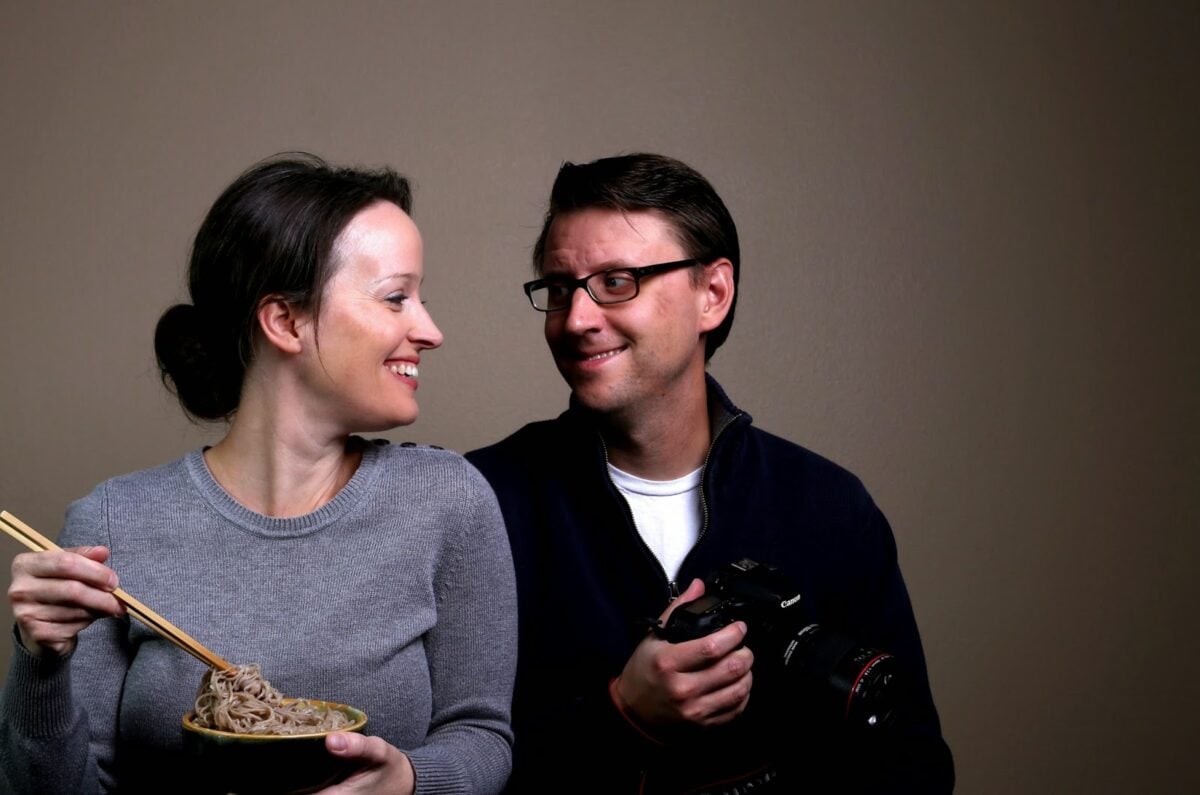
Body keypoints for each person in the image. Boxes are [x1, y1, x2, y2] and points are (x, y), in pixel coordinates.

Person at [0, 154, 517, 794]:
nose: (430, 330)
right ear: (285, 321)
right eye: (395, 299)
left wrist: (408, 779)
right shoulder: (113, 524)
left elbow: (480, 736)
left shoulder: (448, 500)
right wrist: (40, 663)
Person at [466, 153, 954, 793]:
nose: (577, 320)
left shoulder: (829, 507)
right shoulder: (481, 502)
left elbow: (911, 767)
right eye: (560, 288)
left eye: (616, 281)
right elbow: (450, 770)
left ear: (712, 295)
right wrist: (623, 716)